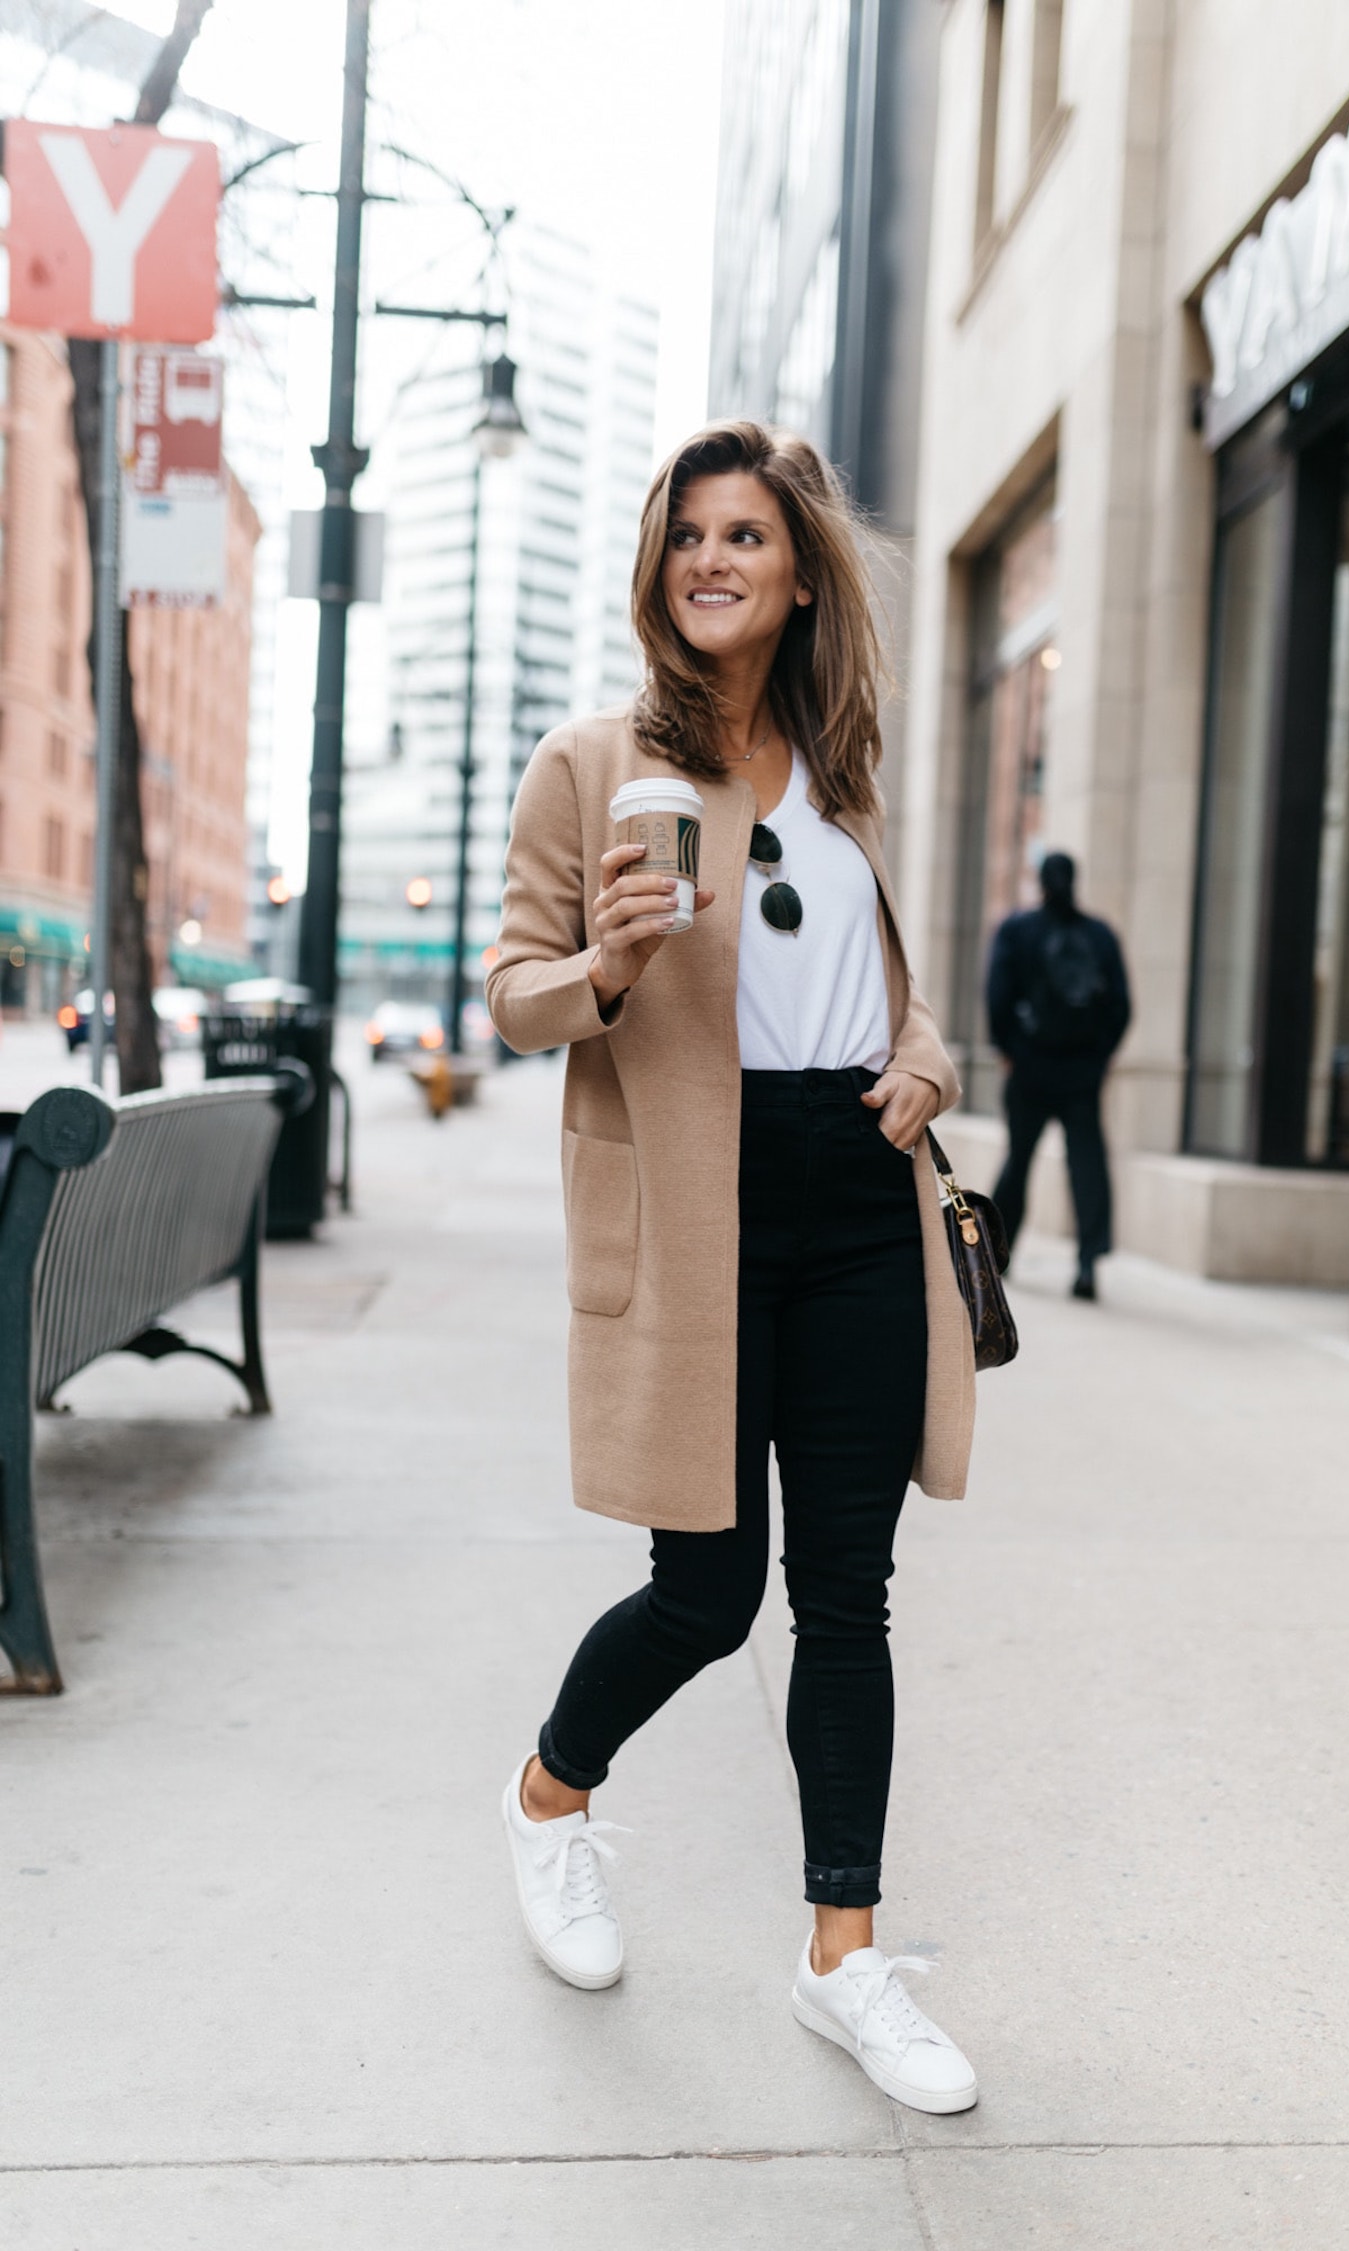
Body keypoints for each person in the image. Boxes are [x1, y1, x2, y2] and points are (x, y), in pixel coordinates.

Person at [487, 420, 980, 2115]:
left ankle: (844, 1956)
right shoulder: (590, 759)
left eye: (746, 536)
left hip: (858, 1194)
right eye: (687, 532)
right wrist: (606, 964)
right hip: (697, 1202)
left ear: (795, 572)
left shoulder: (841, 765)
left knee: (847, 1593)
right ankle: (553, 1801)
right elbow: (510, 989)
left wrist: (926, 1060)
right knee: (706, 1584)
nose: (713, 556)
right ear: (659, 564)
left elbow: (884, 977)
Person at [986, 851, 1130, 1301]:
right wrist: (1098, 1058)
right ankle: (1087, 1264)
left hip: (1030, 1066)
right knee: (1087, 1166)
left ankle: (997, 1256)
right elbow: (1121, 1006)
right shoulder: (1100, 935)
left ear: (1040, 882)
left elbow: (997, 996)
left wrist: (1009, 1050)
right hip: (1081, 1071)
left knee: (1019, 1160)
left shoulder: (1017, 930)